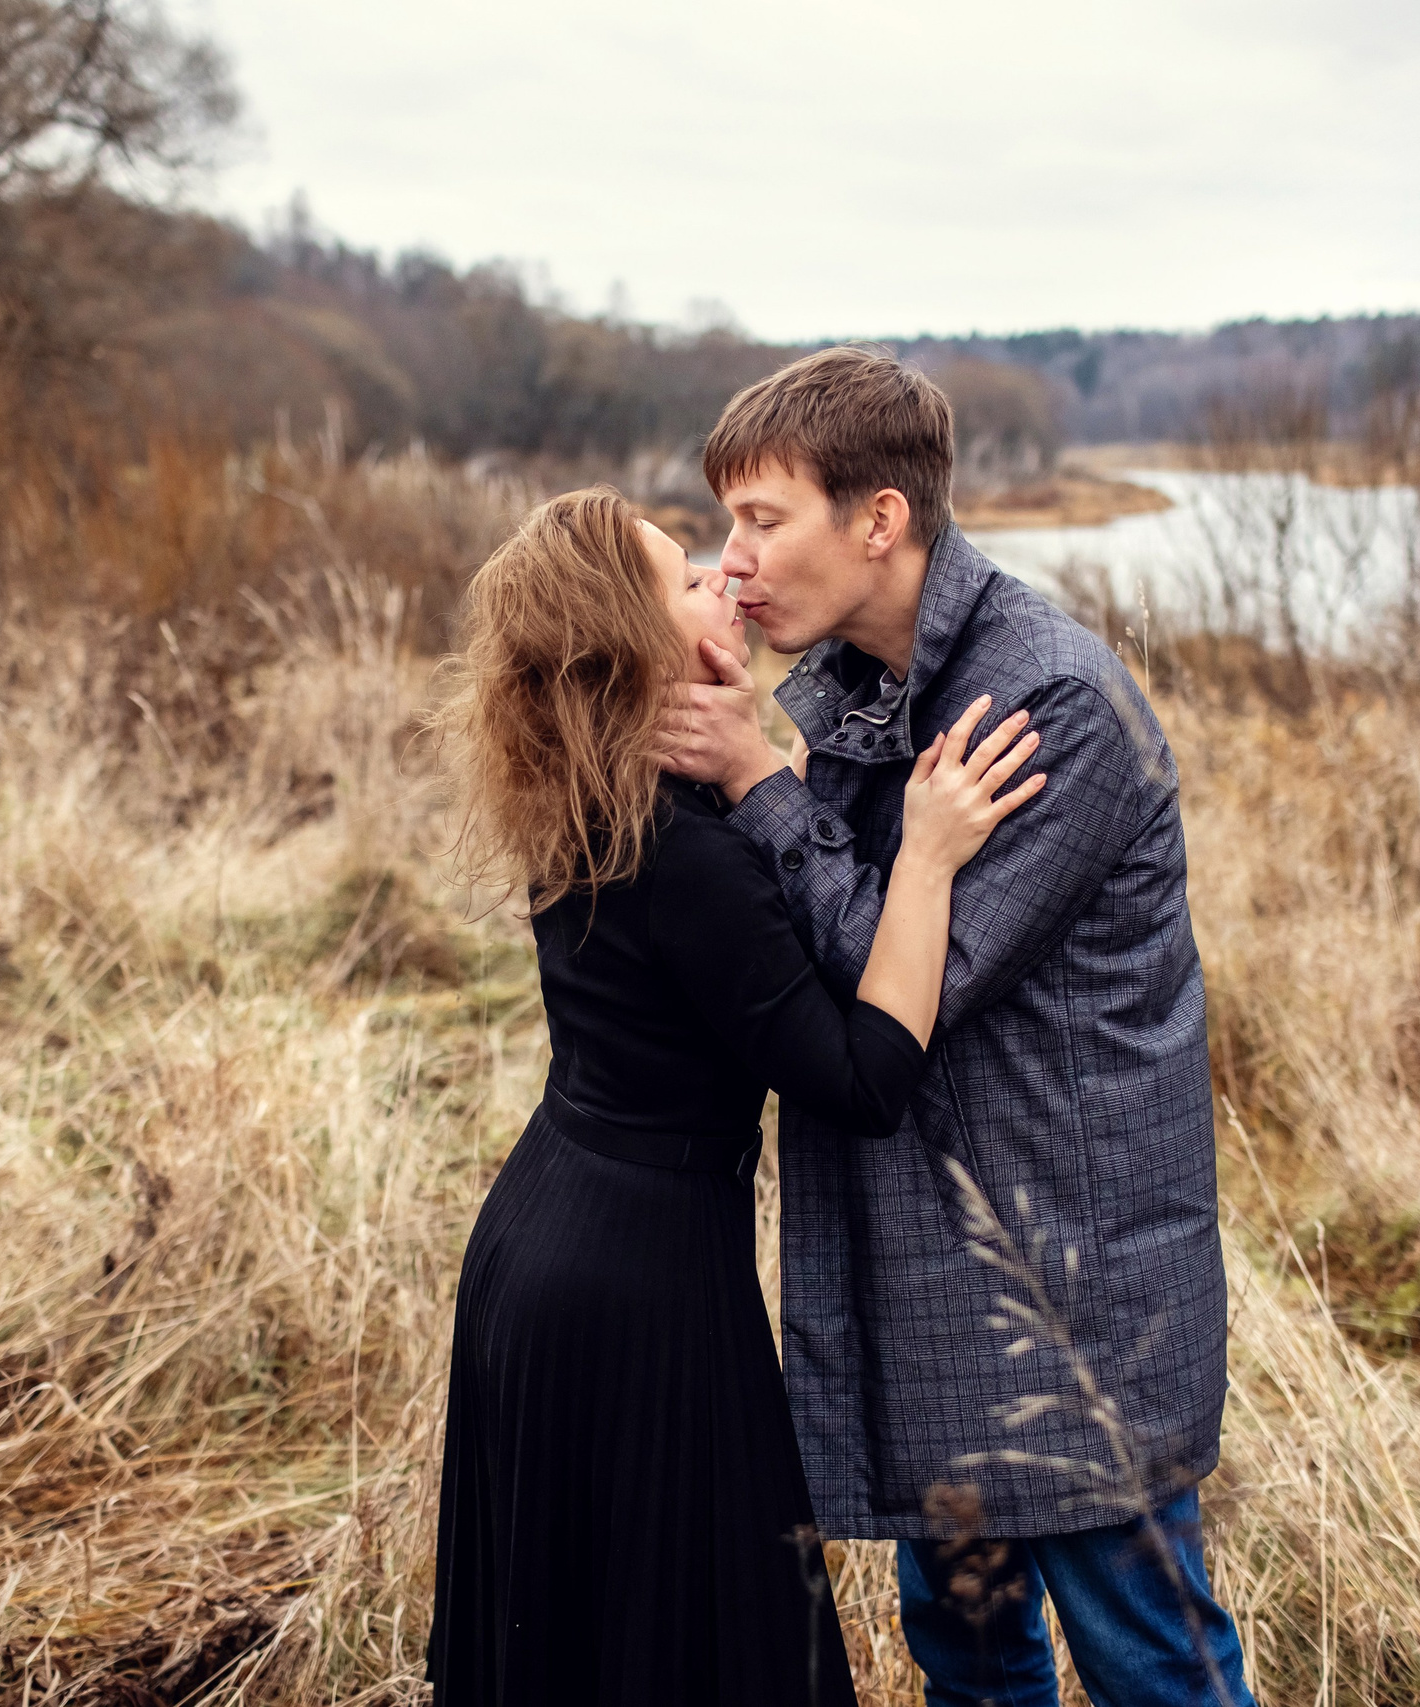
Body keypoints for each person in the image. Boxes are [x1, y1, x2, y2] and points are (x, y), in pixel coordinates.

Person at [659, 345, 1260, 1707]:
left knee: (1152, 1664)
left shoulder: (1048, 703)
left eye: (763, 519)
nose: (734, 558)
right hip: (930, 1263)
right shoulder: (875, 685)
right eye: (727, 525)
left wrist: (757, 772)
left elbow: (908, 969)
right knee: (973, 1667)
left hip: (1070, 1284)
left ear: (880, 520)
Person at [424, 486, 1044, 1706]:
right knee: (697, 1633)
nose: (724, 574)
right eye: (688, 580)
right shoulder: (681, 854)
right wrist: (922, 860)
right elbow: (865, 1077)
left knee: (589, 1626)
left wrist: (767, 770)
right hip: (634, 1288)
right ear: (638, 645)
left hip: (551, 1237)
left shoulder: (602, 798)